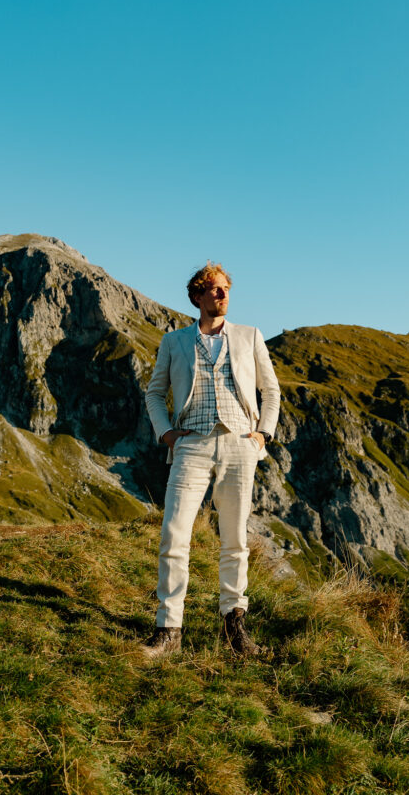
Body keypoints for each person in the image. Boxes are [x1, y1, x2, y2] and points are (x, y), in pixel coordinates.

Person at [142, 262, 281, 658]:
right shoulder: (174, 342)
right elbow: (154, 393)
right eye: (213, 289)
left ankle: (234, 627)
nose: (221, 295)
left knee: (235, 540)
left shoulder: (249, 336)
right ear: (197, 296)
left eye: (225, 289)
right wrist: (166, 432)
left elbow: (271, 392)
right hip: (192, 445)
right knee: (174, 534)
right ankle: (169, 629)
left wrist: (261, 435)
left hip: (240, 443)